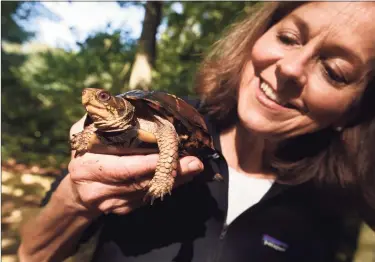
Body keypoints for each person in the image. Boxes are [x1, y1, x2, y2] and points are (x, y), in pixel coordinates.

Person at [18, 2, 375, 262]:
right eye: (288, 37)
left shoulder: (335, 202)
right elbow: (33, 253)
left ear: (355, 110)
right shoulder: (134, 135)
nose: (290, 68)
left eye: (334, 71)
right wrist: (76, 201)